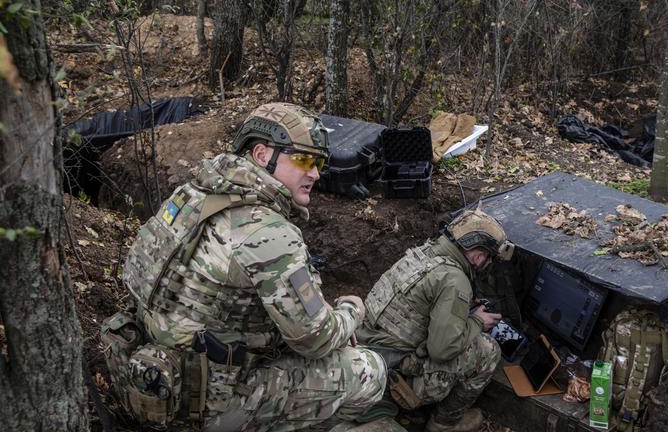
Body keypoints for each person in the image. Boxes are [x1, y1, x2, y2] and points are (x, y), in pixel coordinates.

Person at [114, 103, 389, 431]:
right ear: (261, 155)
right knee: (369, 369)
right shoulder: (266, 231)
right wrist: (349, 312)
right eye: (303, 159)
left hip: (151, 376)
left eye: (319, 163)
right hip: (208, 407)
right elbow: (315, 339)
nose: (314, 173)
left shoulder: (189, 195)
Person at [356, 206, 515, 432]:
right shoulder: (455, 280)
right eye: (488, 257)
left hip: (366, 361)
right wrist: (477, 322)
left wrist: (462, 311)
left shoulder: (424, 253)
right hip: (393, 378)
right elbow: (442, 350)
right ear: (478, 254)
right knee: (488, 350)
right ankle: (444, 423)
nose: (486, 264)